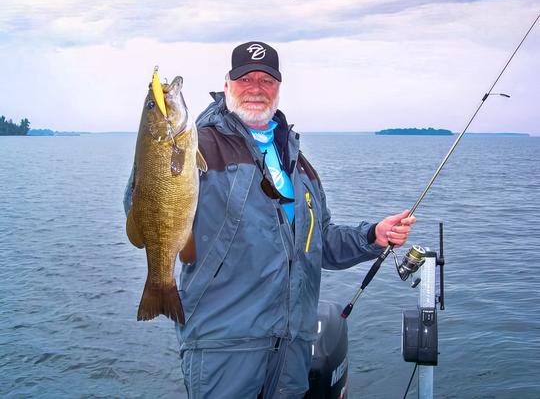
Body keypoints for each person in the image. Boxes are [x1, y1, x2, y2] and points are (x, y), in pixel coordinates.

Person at [127, 41, 416, 399]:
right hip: (224, 345)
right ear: (227, 85)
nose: (256, 89)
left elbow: (317, 243)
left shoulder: (299, 165)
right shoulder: (198, 145)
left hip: (293, 347)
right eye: (245, 79)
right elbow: (141, 201)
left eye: (266, 81)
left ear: (279, 88)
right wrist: (158, 148)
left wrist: (372, 236)